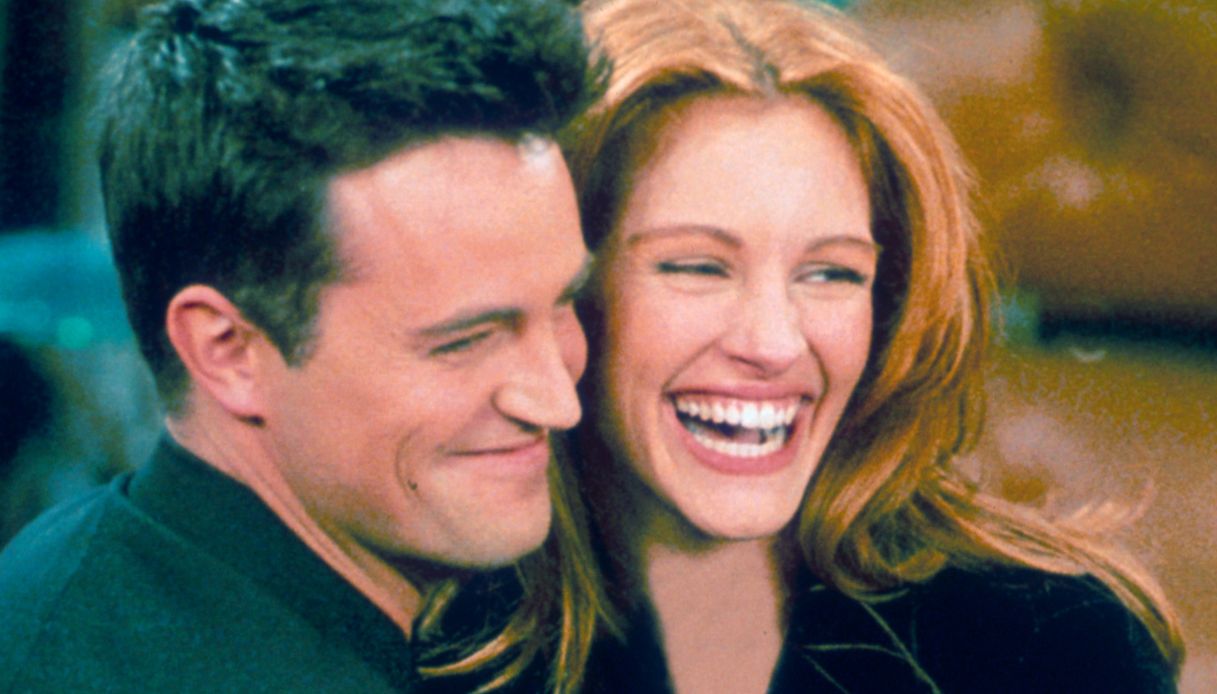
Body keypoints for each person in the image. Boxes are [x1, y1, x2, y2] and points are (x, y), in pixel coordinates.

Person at [561, 0, 1185, 691]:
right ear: (561, 289)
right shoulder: (466, 635)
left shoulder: (1060, 646)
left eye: (830, 272)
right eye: (698, 267)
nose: (774, 343)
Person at [0, 0, 606, 691]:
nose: (558, 403)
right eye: (466, 341)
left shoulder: (76, 581)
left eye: (564, 304)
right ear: (227, 350)